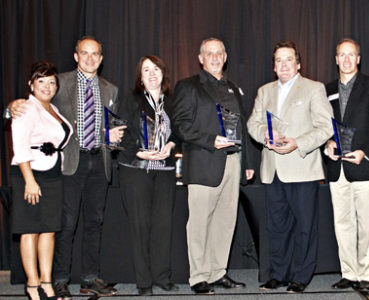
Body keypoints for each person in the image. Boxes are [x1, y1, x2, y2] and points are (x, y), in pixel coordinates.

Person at [9, 36, 123, 299]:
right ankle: (59, 279)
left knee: (95, 222)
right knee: (66, 224)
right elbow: (32, 104)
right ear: (76, 56)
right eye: (85, 53)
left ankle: (89, 278)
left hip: (100, 160)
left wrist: (113, 138)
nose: (90, 58)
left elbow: (110, 127)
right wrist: (10, 108)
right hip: (70, 163)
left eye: (95, 54)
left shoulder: (111, 90)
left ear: (102, 58)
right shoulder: (58, 83)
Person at [168, 38, 254, 295]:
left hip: (232, 162)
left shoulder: (234, 88)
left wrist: (247, 163)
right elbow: (180, 124)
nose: (215, 57)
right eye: (209, 53)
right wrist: (209, 140)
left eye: (219, 53)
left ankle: (218, 272)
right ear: (201, 57)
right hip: (204, 162)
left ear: (225, 57)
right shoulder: (188, 86)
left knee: (226, 222)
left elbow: (242, 128)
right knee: (199, 223)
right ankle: (199, 276)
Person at [247, 40, 333, 293]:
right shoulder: (264, 91)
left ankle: (301, 276)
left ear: (298, 63)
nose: (283, 64)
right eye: (278, 60)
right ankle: (279, 274)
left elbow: (326, 127)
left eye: (288, 59)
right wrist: (266, 135)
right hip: (272, 170)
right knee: (276, 226)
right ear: (274, 66)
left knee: (305, 226)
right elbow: (252, 123)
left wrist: (298, 143)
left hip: (303, 168)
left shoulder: (314, 89)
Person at [324, 39, 369, 292]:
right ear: (336, 59)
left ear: (358, 59)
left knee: (367, 224)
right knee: (343, 224)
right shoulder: (326, 89)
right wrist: (327, 141)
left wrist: (367, 152)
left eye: (352, 55)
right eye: (342, 55)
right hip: (336, 168)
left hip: (364, 166)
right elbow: (321, 125)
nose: (347, 59)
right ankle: (349, 273)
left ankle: (366, 274)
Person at [117, 55, 179, 296]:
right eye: (146, 70)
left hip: (164, 170)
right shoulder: (131, 100)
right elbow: (120, 133)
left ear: (163, 73)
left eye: (156, 69)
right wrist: (139, 153)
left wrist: (172, 146)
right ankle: (144, 282)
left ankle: (162, 276)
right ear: (140, 77)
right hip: (136, 170)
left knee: (163, 225)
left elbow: (180, 132)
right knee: (140, 226)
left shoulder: (172, 101)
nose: (152, 73)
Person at [11, 61, 72, 300]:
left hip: (53, 174)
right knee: (30, 231)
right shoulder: (25, 108)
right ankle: (32, 285)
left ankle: (46, 282)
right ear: (31, 84)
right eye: (41, 81)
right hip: (31, 174)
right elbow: (20, 146)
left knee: (48, 231)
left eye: (51, 82)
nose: (47, 86)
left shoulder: (52, 109)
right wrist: (29, 180)